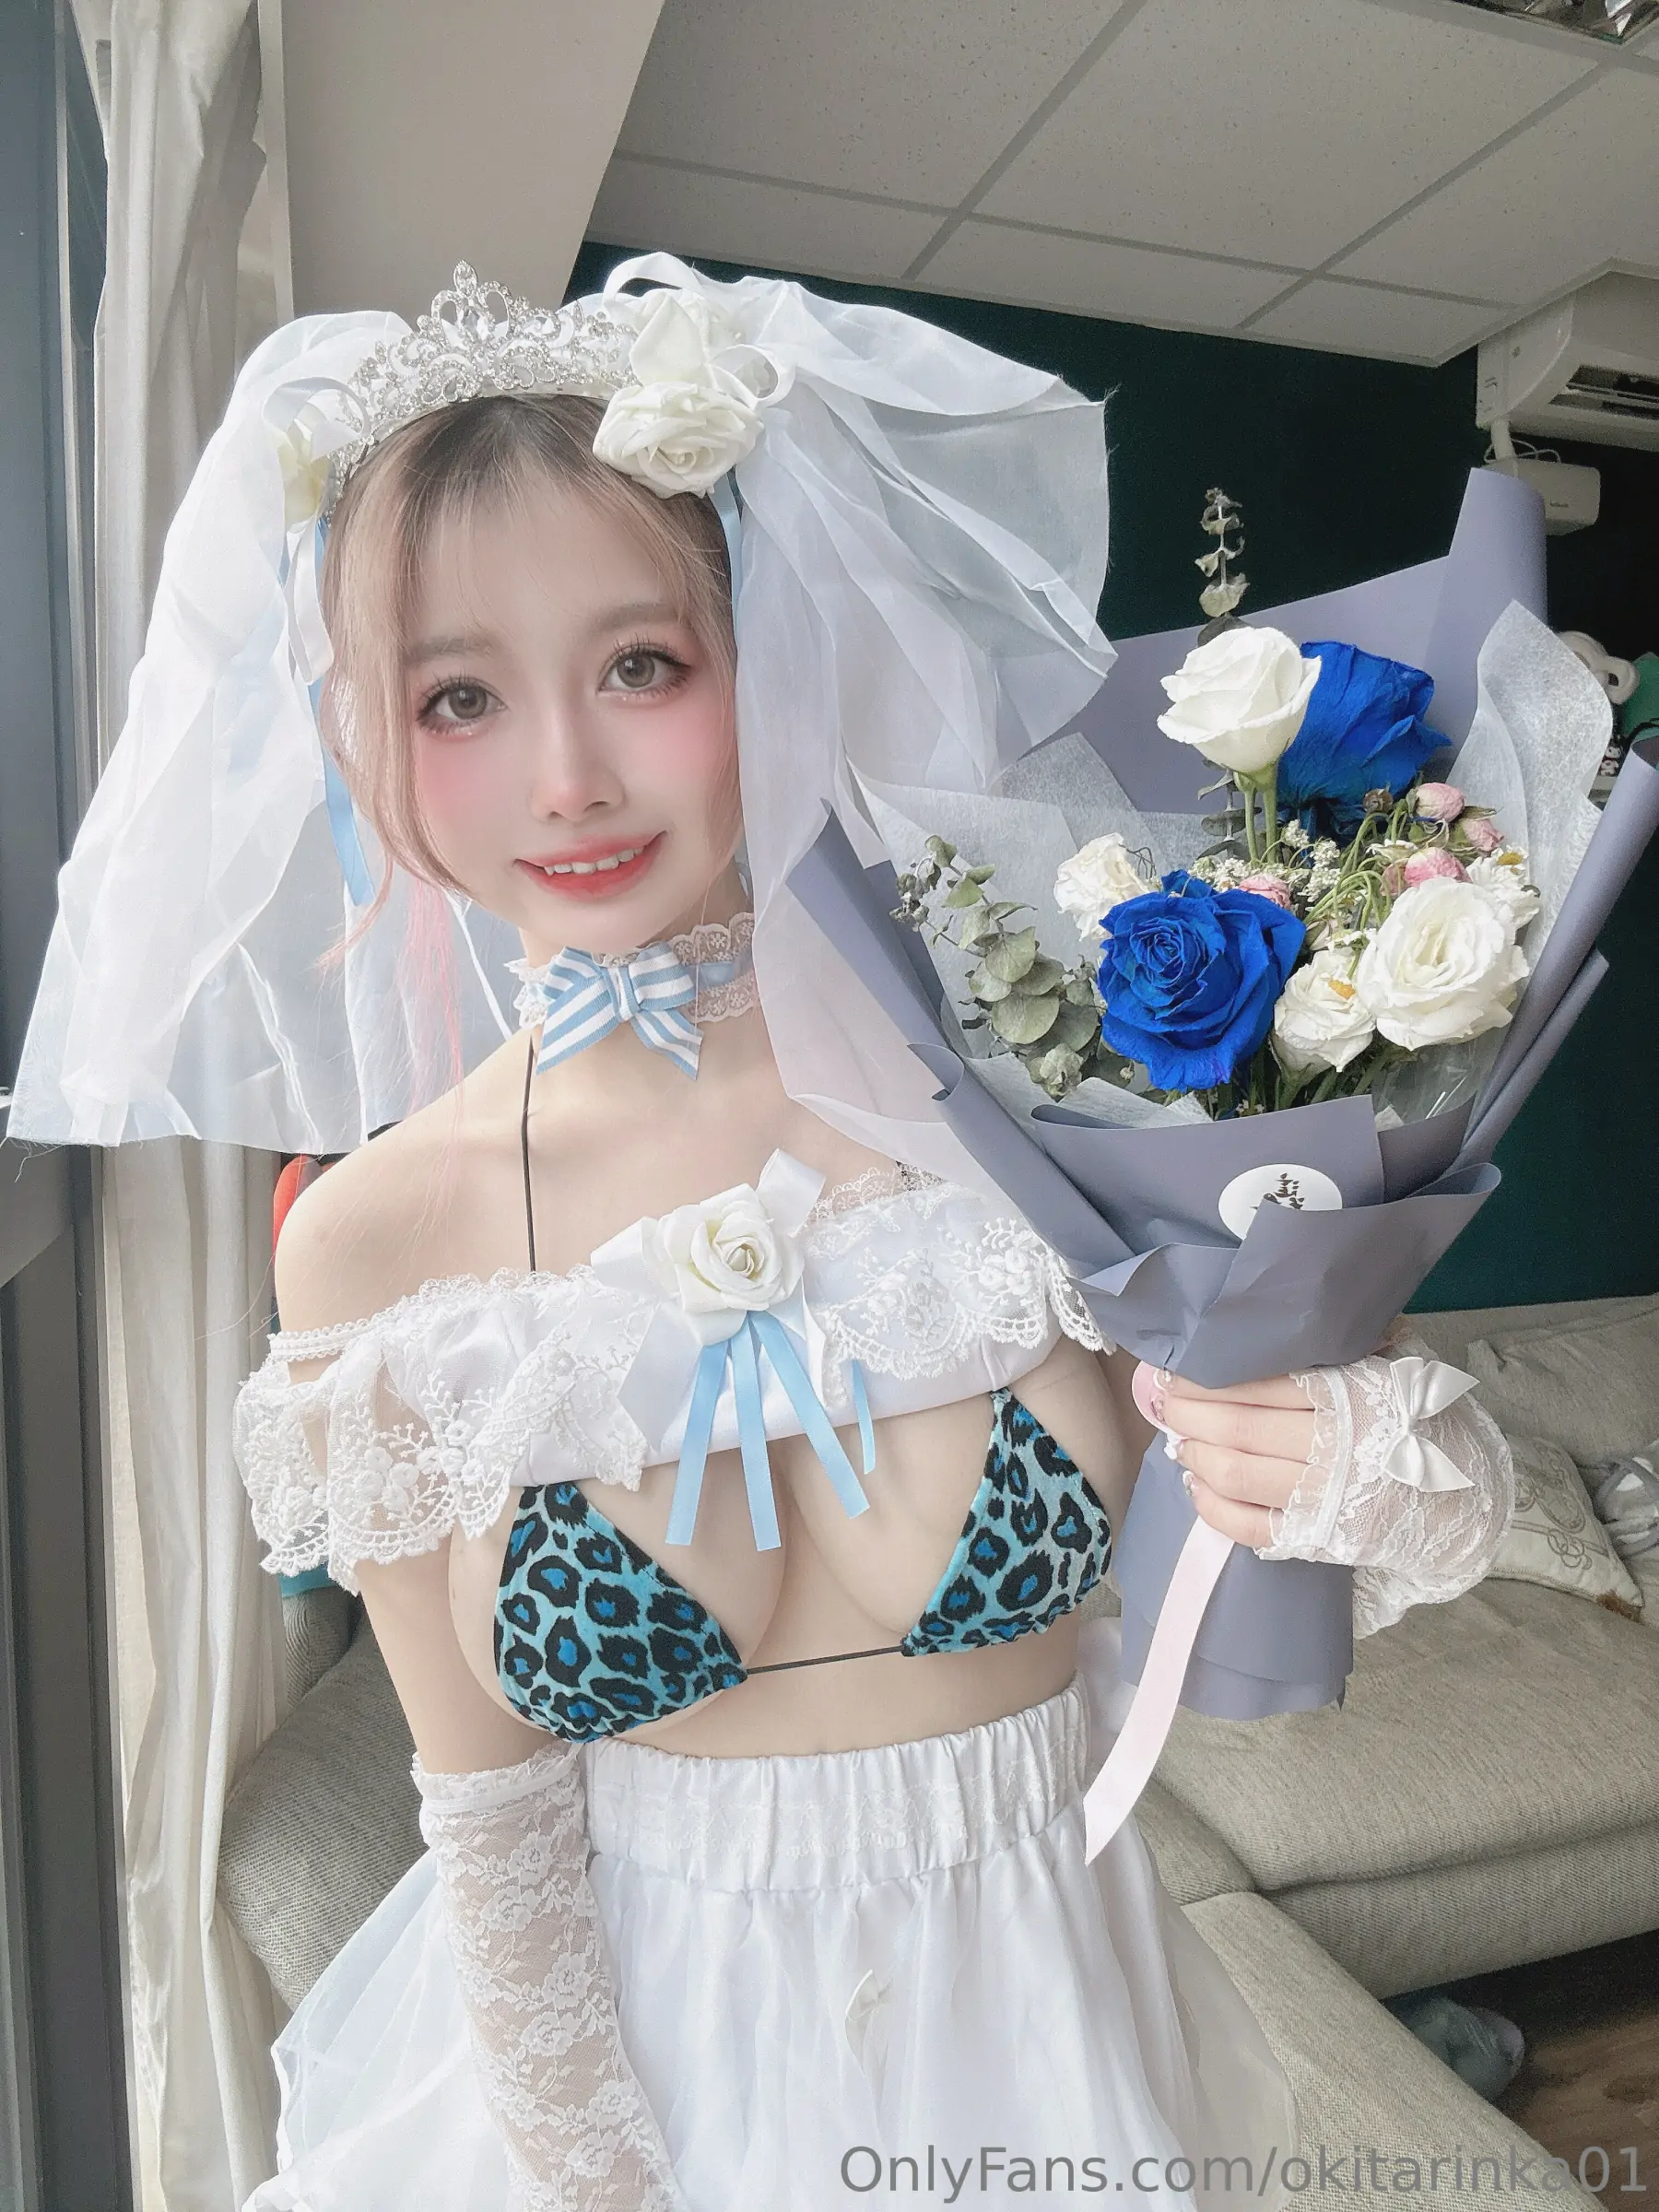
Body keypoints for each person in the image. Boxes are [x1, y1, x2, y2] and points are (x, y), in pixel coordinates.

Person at [13, 258, 1514, 2212]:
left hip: (1048, 2028)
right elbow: (486, 1804)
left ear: (769, 652)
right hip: (657, 2084)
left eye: (642, 664)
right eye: (460, 696)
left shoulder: (1021, 1089)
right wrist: (592, 2163)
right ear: (366, 741)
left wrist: (1364, 1456)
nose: (565, 775)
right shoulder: (374, 1245)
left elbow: (1318, 1528)